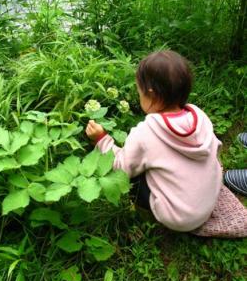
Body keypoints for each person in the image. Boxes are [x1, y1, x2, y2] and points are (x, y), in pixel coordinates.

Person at [86, 50, 224, 233]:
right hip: (208, 203)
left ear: (152, 94)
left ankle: (150, 214)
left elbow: (121, 169)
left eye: (139, 90)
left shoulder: (146, 132)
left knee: (135, 174)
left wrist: (102, 140)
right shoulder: (200, 119)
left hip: (178, 218)